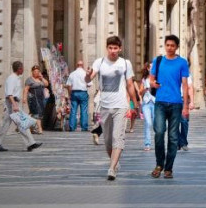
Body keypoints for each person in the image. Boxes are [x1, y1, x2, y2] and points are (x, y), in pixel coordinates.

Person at [85, 36, 138, 180]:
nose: (113, 51)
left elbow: (129, 85)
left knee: (117, 137)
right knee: (108, 140)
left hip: (120, 105)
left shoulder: (125, 63)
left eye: (115, 48)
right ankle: (115, 162)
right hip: (104, 106)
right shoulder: (99, 62)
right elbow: (89, 79)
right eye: (110, 48)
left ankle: (111, 168)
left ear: (120, 49)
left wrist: (134, 103)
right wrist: (88, 75)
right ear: (107, 48)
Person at [149, 35, 189, 179]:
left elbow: (185, 85)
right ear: (165, 46)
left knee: (173, 137)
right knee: (159, 133)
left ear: (177, 47)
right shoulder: (158, 60)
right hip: (160, 102)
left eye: (173, 45)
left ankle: (168, 168)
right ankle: (159, 164)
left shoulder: (182, 63)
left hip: (176, 104)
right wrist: (153, 84)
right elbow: (151, 80)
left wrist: (186, 106)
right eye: (168, 45)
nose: (170, 48)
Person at [0, 61, 42, 152]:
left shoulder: (16, 78)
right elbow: (9, 94)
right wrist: (14, 105)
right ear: (19, 69)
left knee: (22, 123)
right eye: (22, 68)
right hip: (11, 105)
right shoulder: (12, 78)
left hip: (14, 104)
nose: (23, 69)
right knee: (5, 124)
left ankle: (30, 143)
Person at [66, 60, 90, 133]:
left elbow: (69, 85)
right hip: (83, 92)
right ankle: (84, 127)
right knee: (84, 110)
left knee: (73, 110)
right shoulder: (85, 73)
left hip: (74, 92)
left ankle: (72, 127)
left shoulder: (72, 74)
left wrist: (70, 94)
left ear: (77, 65)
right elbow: (89, 84)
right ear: (82, 65)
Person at [23, 64, 49, 134]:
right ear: (32, 72)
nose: (36, 72)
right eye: (35, 71)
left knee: (36, 114)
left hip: (41, 99)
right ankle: (40, 129)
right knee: (37, 113)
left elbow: (46, 84)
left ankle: (30, 127)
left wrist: (42, 78)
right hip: (33, 99)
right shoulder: (29, 80)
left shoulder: (40, 79)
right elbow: (26, 89)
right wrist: (24, 98)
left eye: (37, 71)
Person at [177, 61, 194, 151]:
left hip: (184, 100)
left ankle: (183, 142)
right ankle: (178, 142)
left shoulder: (187, 75)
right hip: (173, 100)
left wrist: (191, 101)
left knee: (184, 122)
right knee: (174, 123)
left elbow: (190, 87)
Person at [138, 66, 155, 151]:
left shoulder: (158, 78)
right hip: (146, 103)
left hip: (156, 103)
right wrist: (145, 89)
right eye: (150, 67)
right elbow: (140, 92)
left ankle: (158, 142)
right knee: (148, 122)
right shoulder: (144, 79)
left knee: (157, 124)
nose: (152, 68)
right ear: (148, 69)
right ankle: (147, 143)